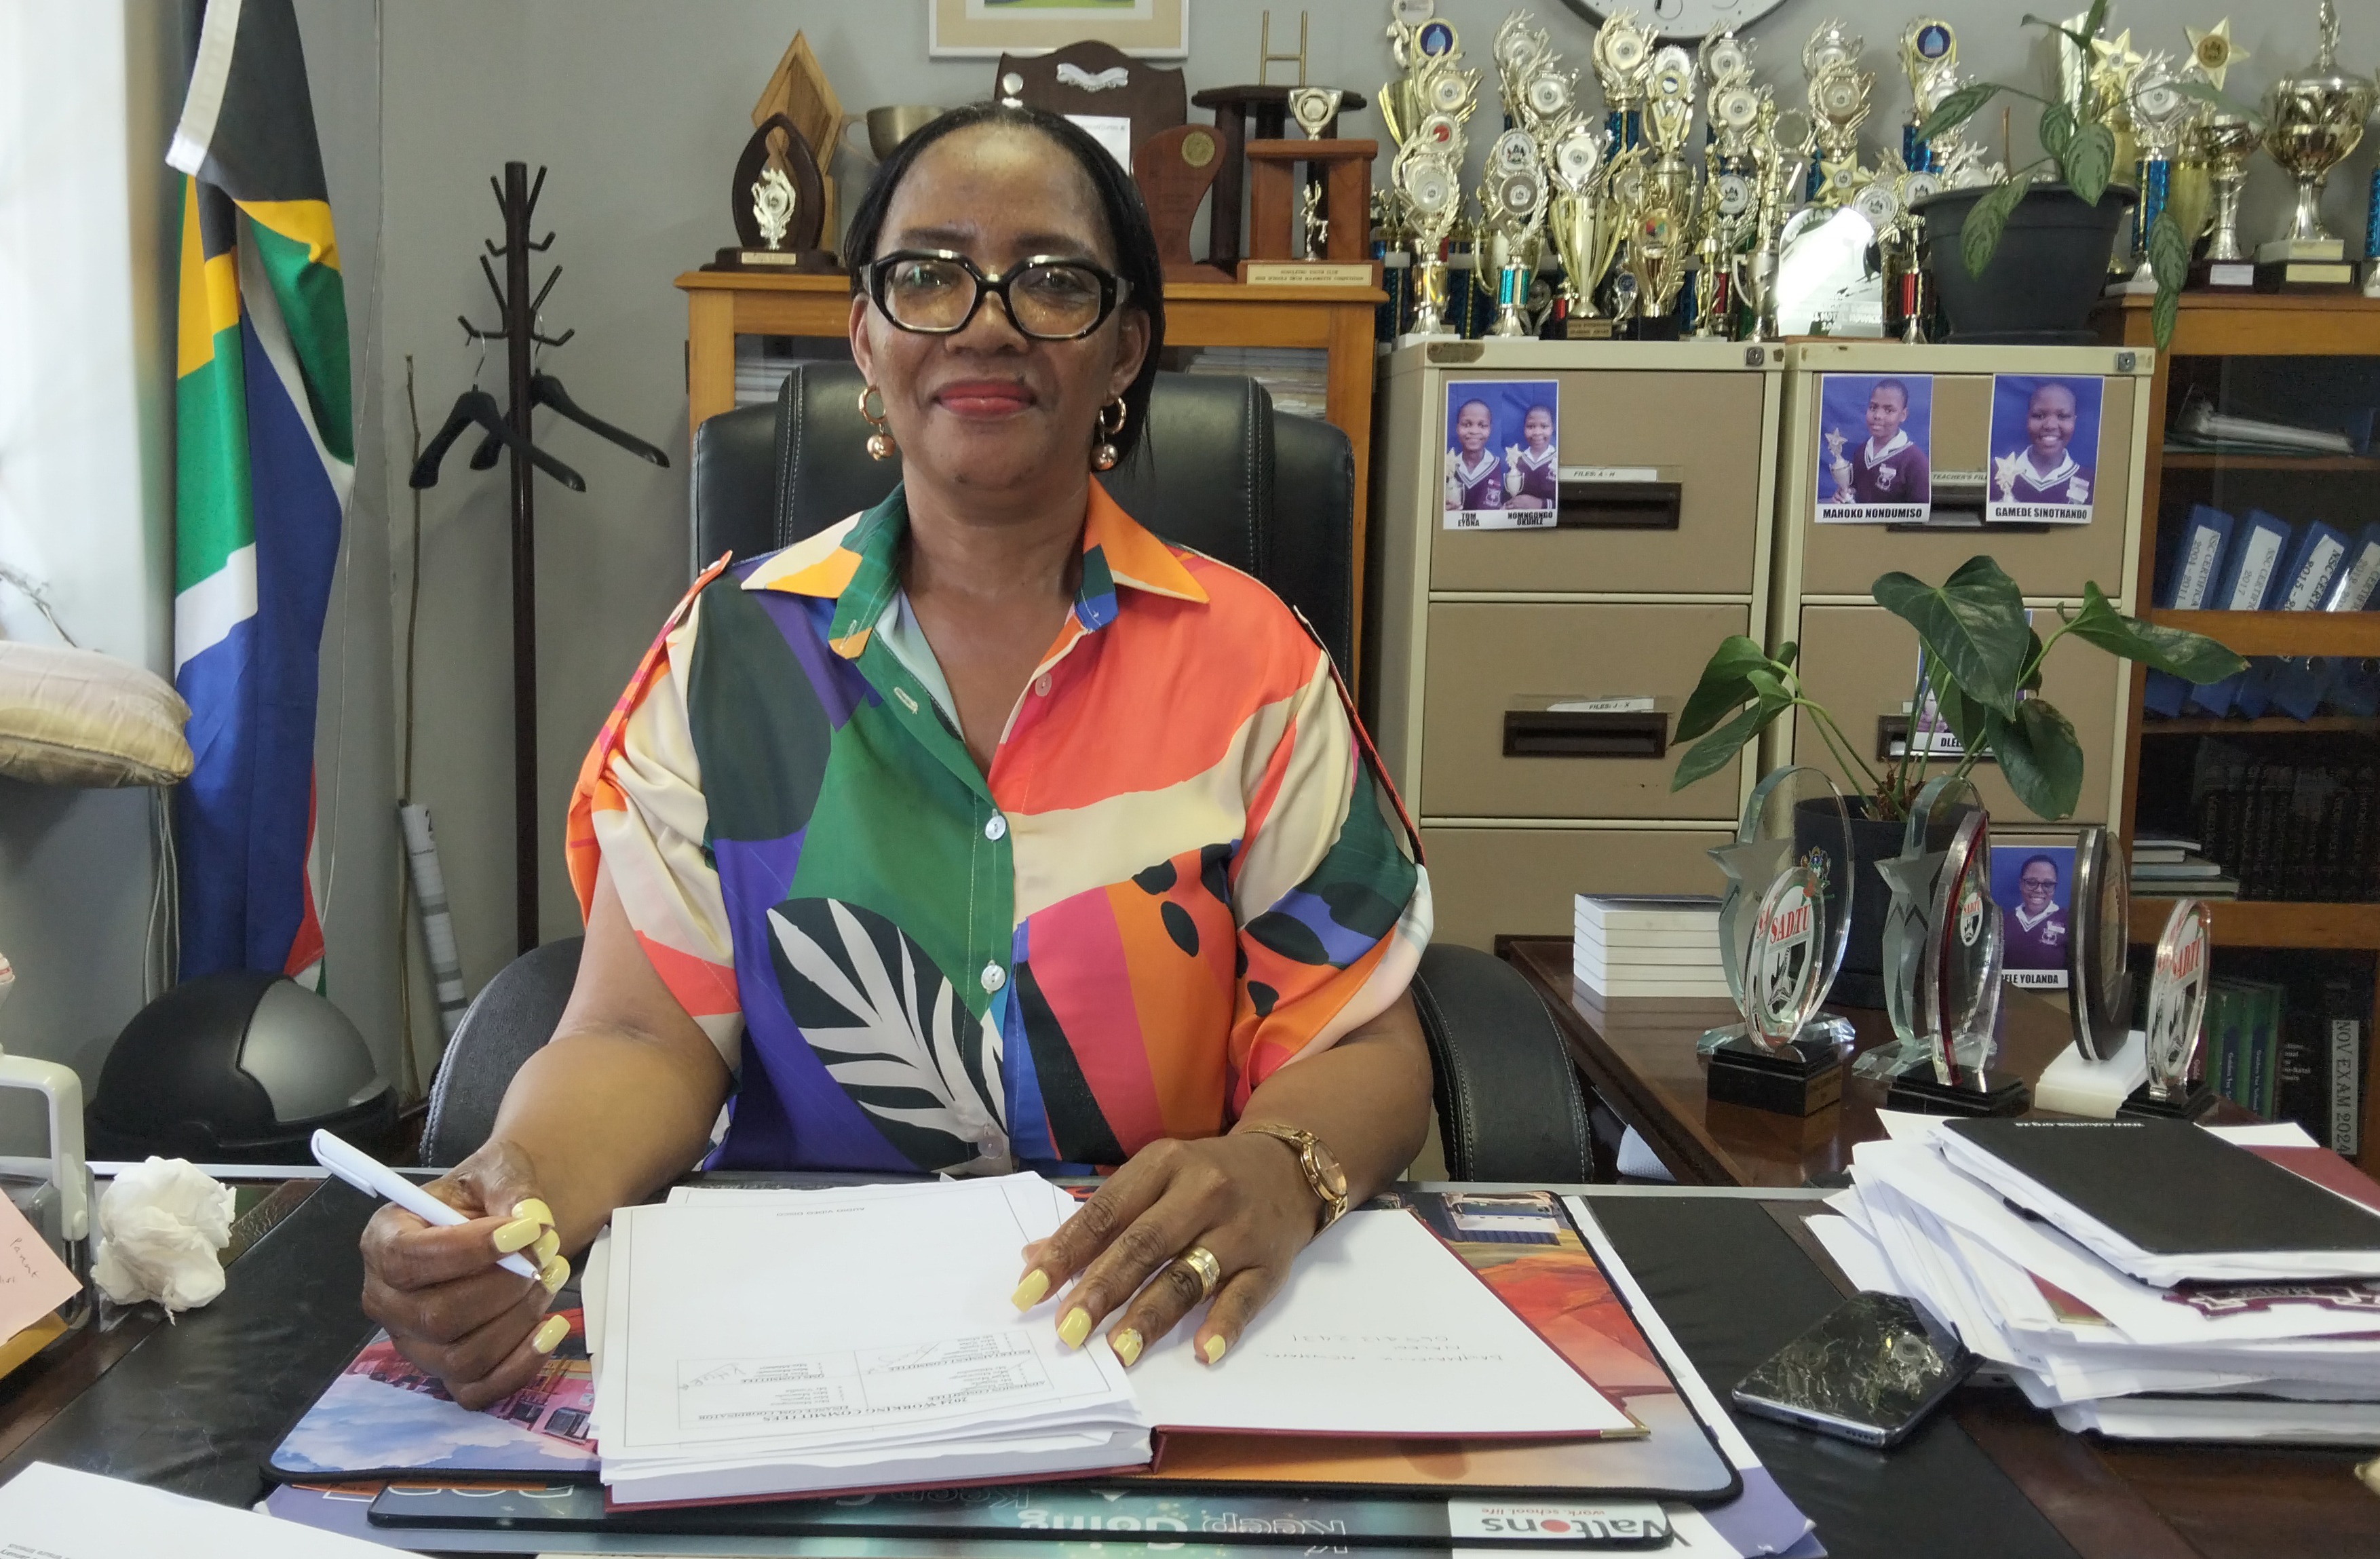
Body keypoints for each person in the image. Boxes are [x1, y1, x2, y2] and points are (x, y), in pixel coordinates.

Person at [359, 104, 1434, 1410]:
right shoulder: (731, 653)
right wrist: (511, 1186)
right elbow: (642, 1035)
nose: (984, 320)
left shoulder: (1252, 664)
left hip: (1156, 1326)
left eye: (1049, 279)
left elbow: (1366, 1042)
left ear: (1123, 349)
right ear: (864, 337)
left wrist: (1280, 1162)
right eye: (926, 274)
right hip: (803, 1349)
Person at [1999, 381, 2093, 507]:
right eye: (2039, 416)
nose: (2050, 425)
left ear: (2074, 421)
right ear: (2028, 419)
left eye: (2063, 416)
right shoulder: (1999, 474)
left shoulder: (2089, 480)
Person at [1835, 378, 1929, 505]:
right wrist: (1842, 498)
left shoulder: (1916, 462)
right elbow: (1854, 494)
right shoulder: (1861, 451)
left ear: (1903, 415)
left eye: (1888, 410)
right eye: (1873, 408)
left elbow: (1920, 515)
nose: (1878, 415)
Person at [2003, 854, 2069, 970]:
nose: (2039, 890)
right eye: (2031, 882)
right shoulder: (2003, 921)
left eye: (2048, 884)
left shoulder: (2069, 921)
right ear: (2021, 884)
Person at [1444, 398, 1503, 512]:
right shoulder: (1445, 467)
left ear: (1490, 429)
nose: (1474, 431)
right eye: (1466, 425)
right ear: (1457, 428)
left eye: (1482, 426)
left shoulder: (1501, 468)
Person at [1505, 404, 1558, 509]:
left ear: (1552, 428)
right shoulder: (1516, 460)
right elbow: (1506, 498)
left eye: (1544, 426)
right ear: (1524, 429)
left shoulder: (1558, 459)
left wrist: (1539, 504)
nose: (1537, 433)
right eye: (1531, 427)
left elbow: (1568, 505)